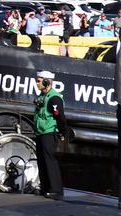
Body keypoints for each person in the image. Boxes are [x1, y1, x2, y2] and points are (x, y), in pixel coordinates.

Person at [33, 71, 68, 200]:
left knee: (50, 161)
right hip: (40, 132)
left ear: (47, 81)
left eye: (39, 80)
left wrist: (63, 132)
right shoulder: (42, 96)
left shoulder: (54, 98)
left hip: (49, 132)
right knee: (41, 161)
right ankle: (45, 187)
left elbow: (59, 116)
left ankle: (56, 190)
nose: (37, 83)